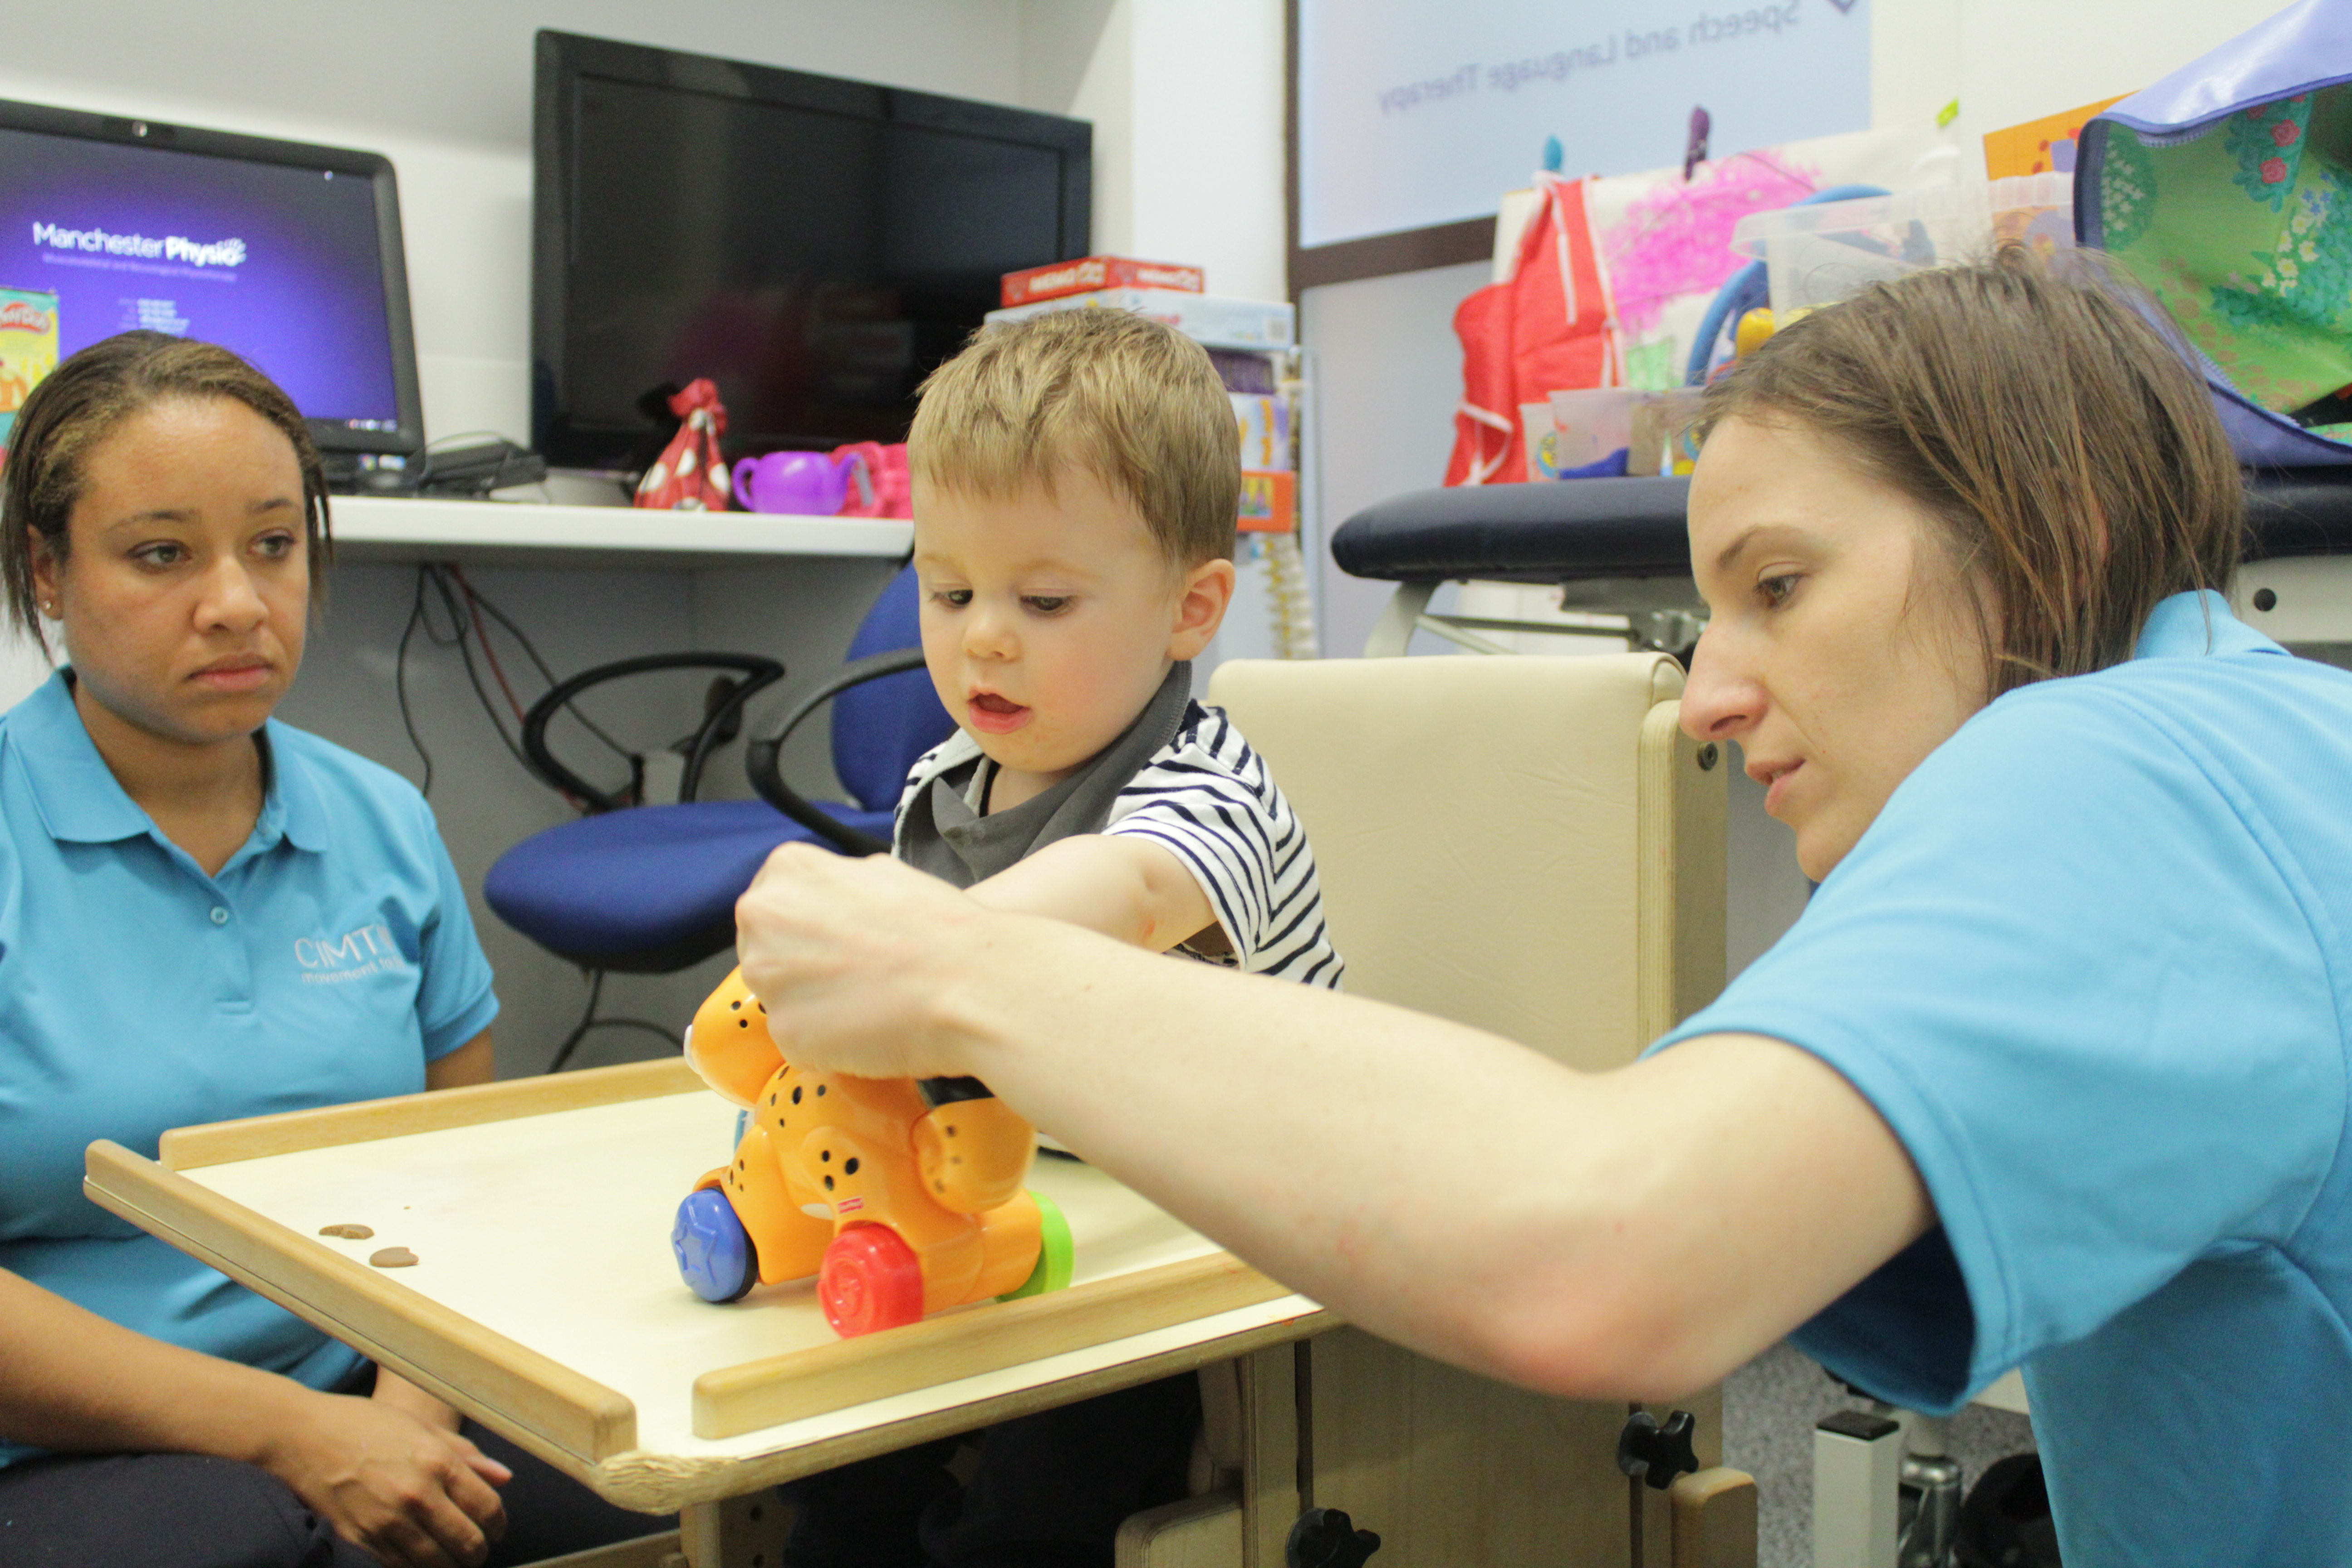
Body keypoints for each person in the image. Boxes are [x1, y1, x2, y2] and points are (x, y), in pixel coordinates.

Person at [725, 254, 2352, 1566]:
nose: (1708, 692)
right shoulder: (2255, 743)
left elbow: (1607, 1255)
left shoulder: (2136, 770)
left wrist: (955, 965)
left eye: (1779, 588)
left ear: (2044, 538)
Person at [0, 332, 656, 1568]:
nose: (237, 602)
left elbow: (462, 1178)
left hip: (375, 1380)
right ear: (46, 570)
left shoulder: (381, 822)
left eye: (273, 545)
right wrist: (294, 1435)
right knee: (233, 1545)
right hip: (63, 1440)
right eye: (160, 554)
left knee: (679, 1480)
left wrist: (411, 1411)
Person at [772, 310, 1342, 1568]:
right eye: (948, 588)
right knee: (840, 1451)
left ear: (1192, 610)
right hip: (1028, 1190)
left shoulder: (1211, 791)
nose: (982, 634)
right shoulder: (946, 778)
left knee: (1036, 1504)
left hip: (1217, 1216)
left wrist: (893, 952)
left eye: (1041, 599)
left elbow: (1118, 894)